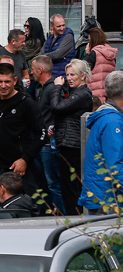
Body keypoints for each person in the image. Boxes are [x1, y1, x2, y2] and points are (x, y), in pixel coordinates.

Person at [0, 63, 47, 202]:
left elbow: (42, 133)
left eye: (7, 82)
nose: (3, 86)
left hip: (18, 168)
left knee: (25, 208)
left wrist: (25, 159)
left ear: (15, 81)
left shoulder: (26, 103)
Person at [49, 59, 93, 215]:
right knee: (68, 187)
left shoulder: (83, 94)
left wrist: (56, 87)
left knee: (71, 188)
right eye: (67, 74)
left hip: (73, 147)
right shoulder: (77, 93)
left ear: (83, 76)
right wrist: (56, 127)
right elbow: (69, 116)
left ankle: (76, 220)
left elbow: (57, 107)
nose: (69, 78)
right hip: (68, 144)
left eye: (73, 74)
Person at [80, 71, 123, 214]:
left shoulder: (108, 117)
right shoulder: (112, 121)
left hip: (102, 196)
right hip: (107, 200)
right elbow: (115, 165)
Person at [32, 54, 65, 214]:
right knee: (45, 182)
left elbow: (58, 112)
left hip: (49, 143)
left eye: (33, 69)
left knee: (53, 183)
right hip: (41, 142)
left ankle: (62, 216)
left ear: (40, 70)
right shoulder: (40, 88)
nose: (31, 73)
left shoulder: (52, 89)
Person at [84, 27, 117, 102]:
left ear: (93, 40)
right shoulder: (111, 53)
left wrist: (87, 54)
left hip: (95, 94)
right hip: (108, 94)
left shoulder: (94, 53)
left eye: (89, 40)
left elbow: (84, 69)